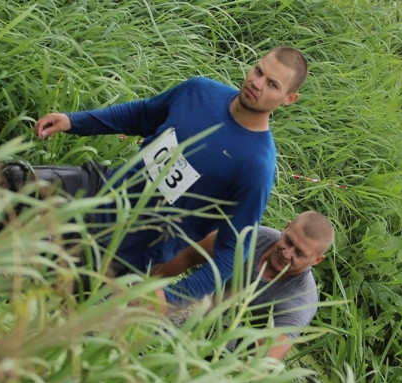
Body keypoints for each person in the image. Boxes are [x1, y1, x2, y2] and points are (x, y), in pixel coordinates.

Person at [27, 47, 307, 306]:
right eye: (258, 71)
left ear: (288, 99)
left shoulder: (256, 166)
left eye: (272, 84)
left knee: (33, 297)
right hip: (96, 191)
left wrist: (173, 296)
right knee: (7, 187)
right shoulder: (199, 92)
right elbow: (141, 115)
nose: (257, 83)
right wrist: (74, 121)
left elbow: (232, 253)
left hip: (120, 251)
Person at [150, 210, 334, 360]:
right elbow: (187, 255)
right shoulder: (253, 237)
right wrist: (143, 284)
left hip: (235, 357)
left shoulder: (301, 300)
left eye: (299, 253)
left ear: (316, 260)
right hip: (197, 323)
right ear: (286, 228)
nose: (287, 253)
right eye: (288, 241)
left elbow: (264, 361)